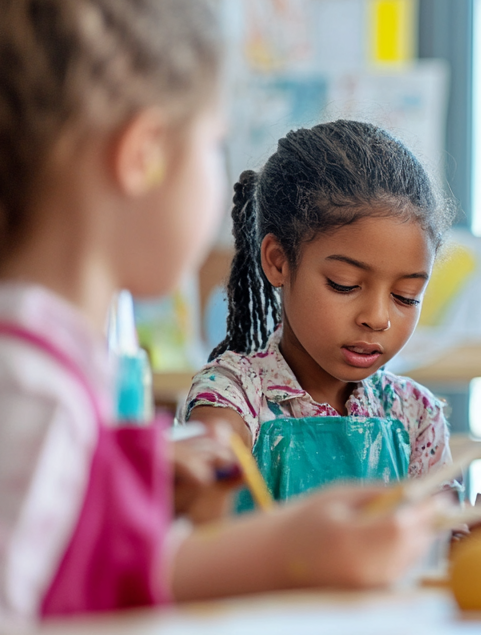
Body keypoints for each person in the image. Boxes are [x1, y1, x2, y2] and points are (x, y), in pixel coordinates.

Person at [0, 0, 434, 635]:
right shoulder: (21, 386)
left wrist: (289, 548)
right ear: (144, 154)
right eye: (212, 140)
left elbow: (90, 585)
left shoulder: (47, 365)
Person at [183, 120, 453, 506]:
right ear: (279, 262)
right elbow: (202, 518)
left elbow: (439, 549)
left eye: (406, 296)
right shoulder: (234, 396)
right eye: (344, 284)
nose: (377, 318)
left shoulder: (415, 415)